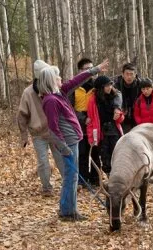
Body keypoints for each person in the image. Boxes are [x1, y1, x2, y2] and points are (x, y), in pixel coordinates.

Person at [37, 59, 109, 221]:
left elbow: (76, 80)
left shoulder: (59, 93)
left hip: (72, 140)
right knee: (71, 177)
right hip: (68, 143)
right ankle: (67, 212)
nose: (61, 79)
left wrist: (95, 69)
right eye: (58, 77)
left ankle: (69, 210)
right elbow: (53, 129)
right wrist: (64, 148)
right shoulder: (50, 101)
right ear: (50, 80)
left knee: (72, 177)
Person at [17, 60, 64, 197]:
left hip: (55, 131)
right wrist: (24, 136)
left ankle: (68, 183)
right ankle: (46, 187)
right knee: (43, 161)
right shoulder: (28, 93)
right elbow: (22, 115)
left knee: (61, 158)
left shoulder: (55, 88)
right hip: (38, 133)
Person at [71, 58, 101, 186]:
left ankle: (96, 179)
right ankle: (82, 180)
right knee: (82, 153)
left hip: (95, 124)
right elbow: (69, 108)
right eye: (87, 69)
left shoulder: (97, 85)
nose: (90, 71)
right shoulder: (73, 86)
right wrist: (83, 118)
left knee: (95, 152)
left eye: (92, 68)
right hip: (79, 124)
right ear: (80, 71)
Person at [87, 75, 124, 175]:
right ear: (100, 88)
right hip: (101, 133)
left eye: (110, 85)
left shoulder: (115, 97)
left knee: (117, 154)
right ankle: (109, 177)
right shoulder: (93, 101)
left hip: (114, 131)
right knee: (105, 157)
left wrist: (119, 114)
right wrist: (91, 138)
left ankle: (119, 177)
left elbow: (120, 119)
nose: (109, 87)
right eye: (106, 85)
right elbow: (91, 121)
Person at [114, 63, 142, 133]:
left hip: (138, 116)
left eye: (131, 74)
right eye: (127, 74)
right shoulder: (116, 85)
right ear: (123, 75)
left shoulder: (141, 85)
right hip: (122, 117)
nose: (129, 77)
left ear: (135, 75)